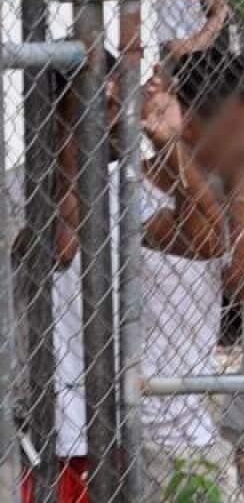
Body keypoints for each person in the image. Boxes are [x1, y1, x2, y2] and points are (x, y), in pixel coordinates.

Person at [133, 48, 244, 501]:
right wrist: (171, 147)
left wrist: (236, 183)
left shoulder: (227, 194)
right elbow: (203, 237)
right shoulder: (129, 190)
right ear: (190, 121)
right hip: (142, 433)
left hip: (194, 431)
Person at [8, 52, 120, 503]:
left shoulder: (124, 182)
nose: (118, 120)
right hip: (54, 430)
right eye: (104, 106)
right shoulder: (18, 189)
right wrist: (75, 146)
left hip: (114, 423)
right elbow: (60, 248)